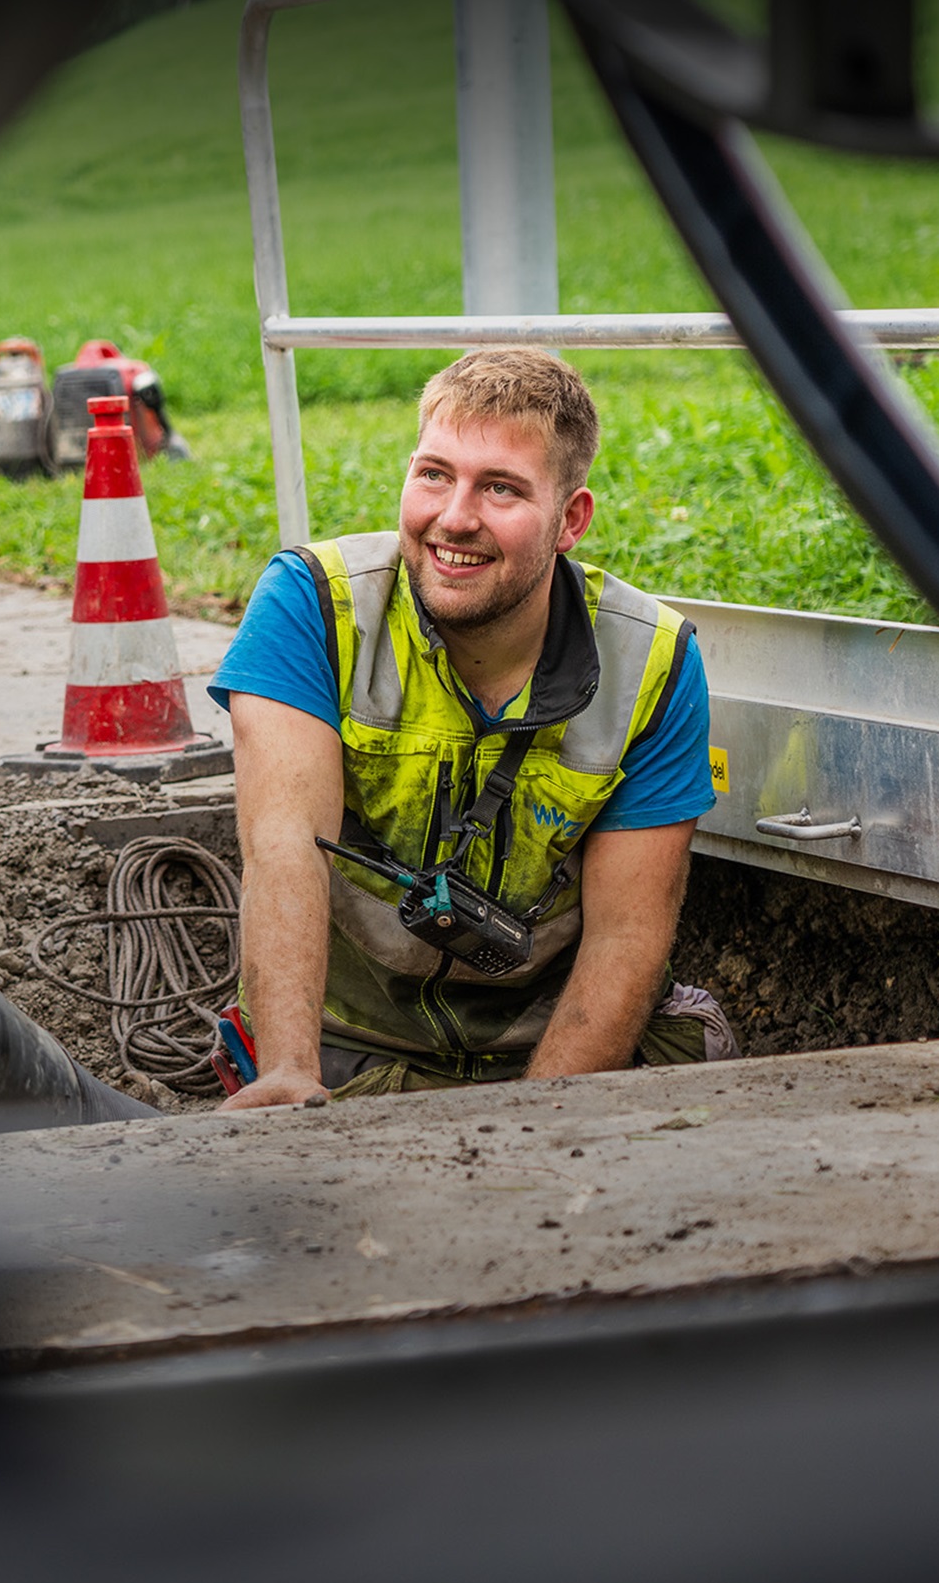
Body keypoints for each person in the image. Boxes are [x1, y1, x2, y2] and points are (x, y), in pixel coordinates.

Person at [208, 348, 736, 1107]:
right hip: (353, 1046)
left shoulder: (650, 660)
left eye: (501, 489)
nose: (454, 518)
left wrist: (534, 1126)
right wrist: (290, 1070)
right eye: (433, 474)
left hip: (550, 1045)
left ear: (570, 521)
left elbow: (628, 940)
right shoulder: (312, 605)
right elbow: (286, 851)